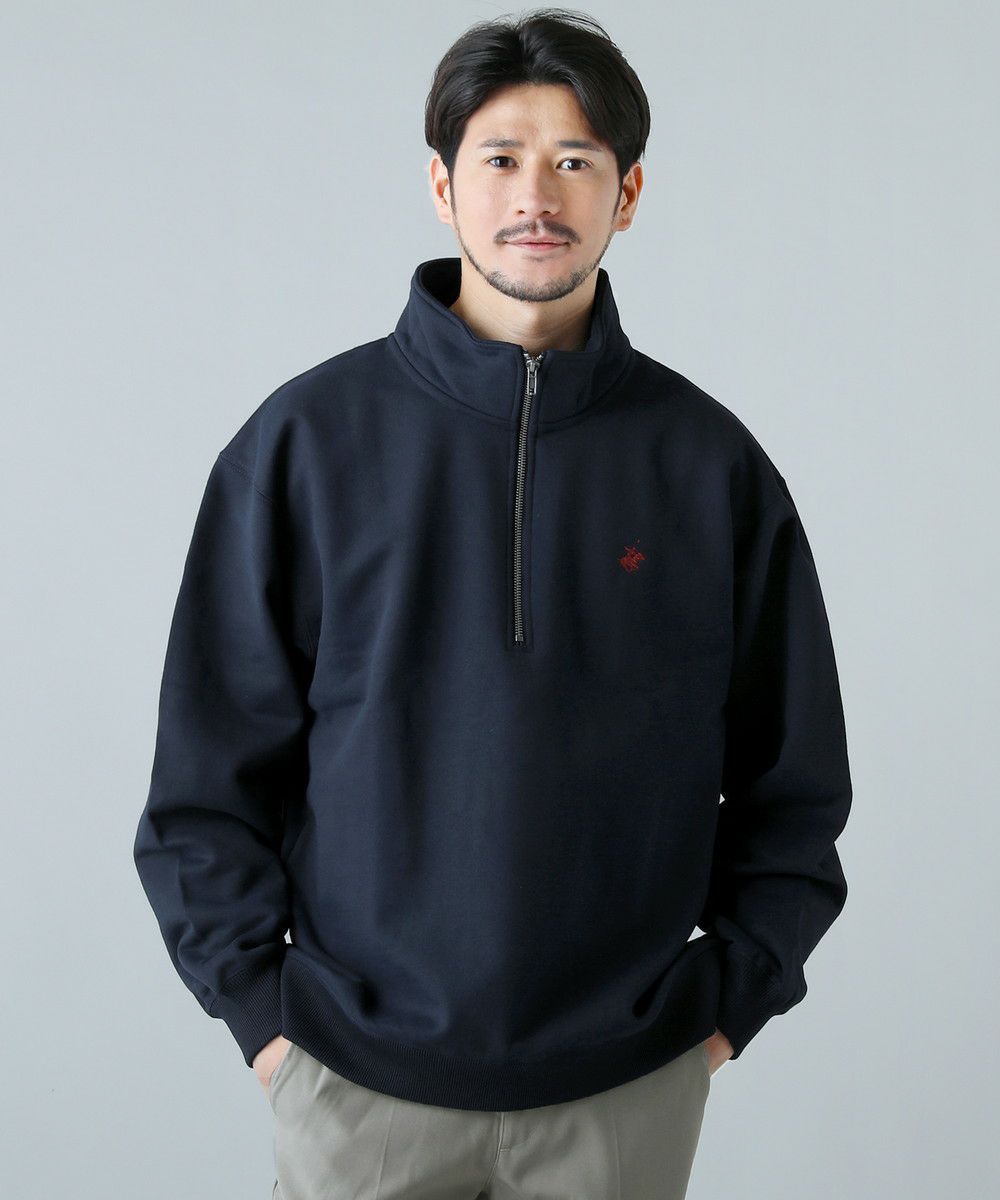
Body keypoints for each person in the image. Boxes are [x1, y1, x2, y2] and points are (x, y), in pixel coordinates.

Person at [133, 9, 852, 1199]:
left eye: (574, 160)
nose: (536, 195)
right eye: (501, 158)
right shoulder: (305, 446)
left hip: (622, 1091)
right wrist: (265, 1021)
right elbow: (204, 780)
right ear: (441, 185)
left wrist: (723, 1011)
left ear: (627, 195)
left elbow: (796, 785)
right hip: (352, 1086)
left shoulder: (707, 465)